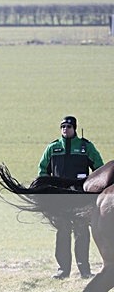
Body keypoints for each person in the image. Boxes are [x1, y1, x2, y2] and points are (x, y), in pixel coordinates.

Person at [38, 116, 104, 279]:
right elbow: (43, 171)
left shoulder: (85, 147)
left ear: (74, 128)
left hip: (80, 197)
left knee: (82, 232)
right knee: (63, 232)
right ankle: (63, 270)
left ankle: (85, 270)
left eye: (68, 126)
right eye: (62, 127)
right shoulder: (52, 148)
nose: (65, 129)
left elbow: (100, 170)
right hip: (60, 198)